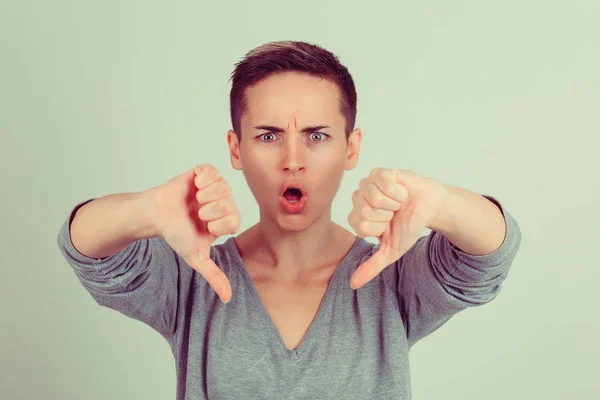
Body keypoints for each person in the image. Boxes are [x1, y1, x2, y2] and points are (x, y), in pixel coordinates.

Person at [56, 40, 522, 400]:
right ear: (236, 149)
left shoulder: (392, 278)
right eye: (268, 135)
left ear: (351, 147)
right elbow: (87, 250)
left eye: (317, 135)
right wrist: (145, 212)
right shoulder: (193, 279)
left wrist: (438, 204)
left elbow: (488, 255)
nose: (293, 159)